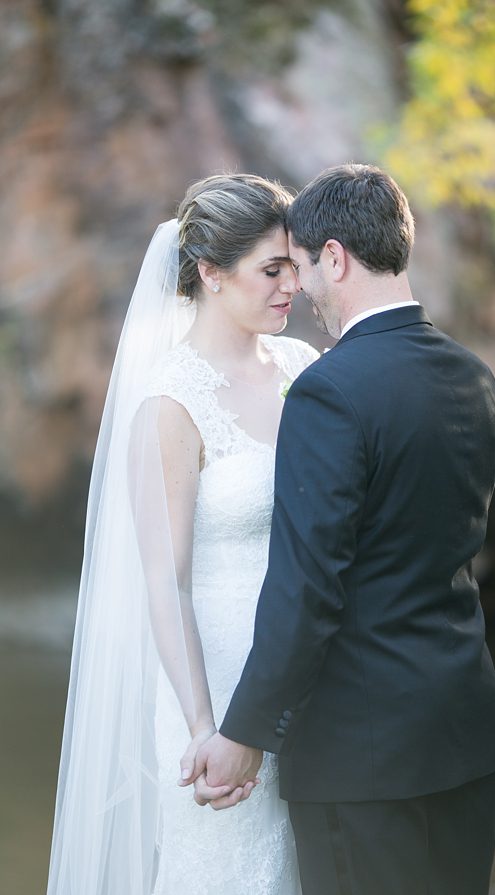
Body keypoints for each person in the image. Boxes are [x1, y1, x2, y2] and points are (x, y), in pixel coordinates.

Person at [184, 164, 495, 895]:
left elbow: (308, 588)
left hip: (362, 756)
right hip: (464, 731)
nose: (300, 289)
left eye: (301, 267)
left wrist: (244, 734)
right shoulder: (475, 377)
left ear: (335, 257)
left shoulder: (328, 391)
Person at [47, 173, 316, 893]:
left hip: (311, 680)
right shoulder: (170, 401)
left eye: (294, 266)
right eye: (272, 269)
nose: (293, 285)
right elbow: (167, 582)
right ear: (211, 272)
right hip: (217, 681)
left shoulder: (303, 369)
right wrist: (204, 725)